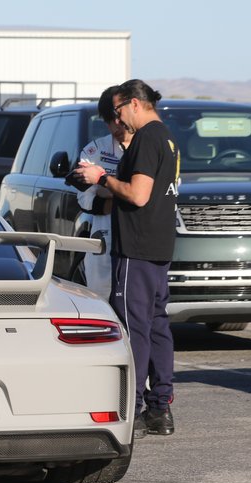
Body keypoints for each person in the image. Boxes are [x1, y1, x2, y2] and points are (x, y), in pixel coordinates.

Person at [73, 79, 180, 439]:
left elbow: (138, 195)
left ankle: (130, 409)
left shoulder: (147, 138)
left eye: (118, 111)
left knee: (133, 328)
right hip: (159, 245)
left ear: (134, 103)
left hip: (137, 246)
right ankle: (160, 407)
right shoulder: (167, 137)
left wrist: (101, 176)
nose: (117, 120)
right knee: (157, 324)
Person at [74, 86, 133, 299]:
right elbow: (84, 197)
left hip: (139, 241)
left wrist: (108, 189)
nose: (114, 126)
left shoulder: (150, 148)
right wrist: (122, 196)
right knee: (100, 301)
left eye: (117, 118)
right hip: (104, 239)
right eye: (108, 121)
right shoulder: (95, 151)